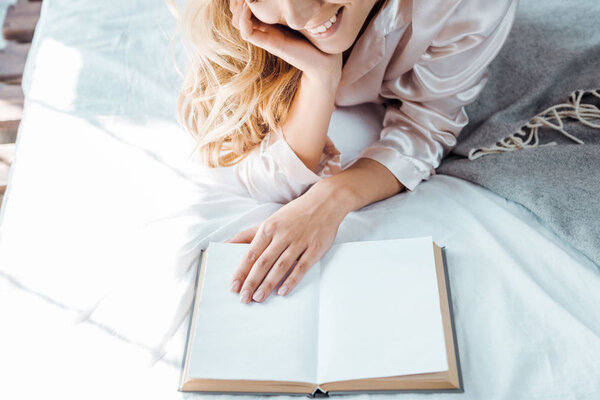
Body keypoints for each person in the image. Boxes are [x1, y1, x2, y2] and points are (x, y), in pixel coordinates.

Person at [174, 0, 518, 304]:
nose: (295, 15)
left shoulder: (466, 6)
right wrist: (320, 76)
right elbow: (268, 180)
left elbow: (425, 126)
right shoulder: (245, 19)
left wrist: (331, 199)